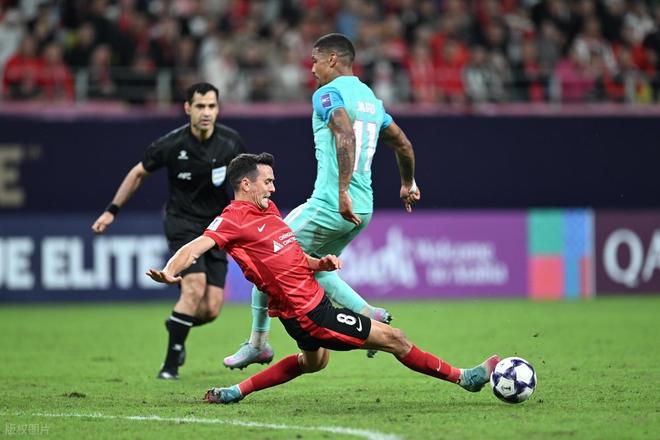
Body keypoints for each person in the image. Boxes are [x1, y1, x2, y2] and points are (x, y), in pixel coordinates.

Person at [147, 153, 499, 403]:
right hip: (311, 314)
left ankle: (235, 392)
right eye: (267, 182)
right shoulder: (232, 219)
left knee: (313, 363)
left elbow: (289, 255)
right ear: (245, 184)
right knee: (396, 339)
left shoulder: (267, 210)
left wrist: (319, 264)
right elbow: (196, 246)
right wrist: (171, 271)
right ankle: (464, 378)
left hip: (302, 310)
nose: (273, 188)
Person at [223, 32, 421, 369]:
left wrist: (341, 191)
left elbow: (344, 134)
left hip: (331, 204)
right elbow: (403, 144)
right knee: (310, 266)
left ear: (332, 59)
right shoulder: (372, 101)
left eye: (314, 60)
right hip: (363, 209)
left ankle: (258, 343)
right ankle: (369, 313)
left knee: (266, 255)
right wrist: (408, 183)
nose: (311, 68)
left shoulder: (328, 94)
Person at [91, 82, 247, 380]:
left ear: (218, 109)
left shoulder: (231, 142)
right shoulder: (173, 144)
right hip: (182, 223)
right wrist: (112, 210)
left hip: (216, 229)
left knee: (211, 309)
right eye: (200, 106)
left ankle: (177, 323)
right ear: (188, 108)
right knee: (194, 287)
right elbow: (138, 173)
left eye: (211, 106)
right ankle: (170, 366)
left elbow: (246, 182)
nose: (206, 112)